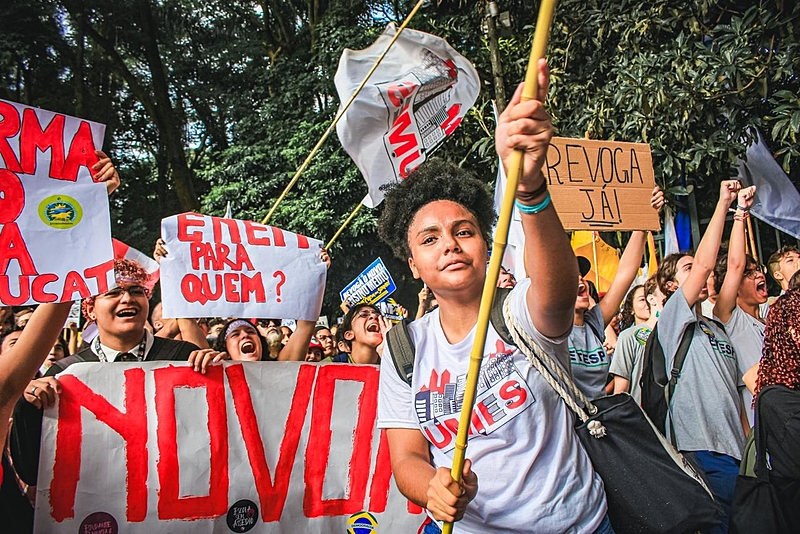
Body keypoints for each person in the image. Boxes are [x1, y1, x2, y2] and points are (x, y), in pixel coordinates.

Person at [376, 65, 608, 533]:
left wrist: (529, 188)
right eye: (430, 239)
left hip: (577, 524)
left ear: (487, 246)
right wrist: (433, 488)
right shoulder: (403, 350)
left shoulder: (519, 310)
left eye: (464, 231)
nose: (450, 244)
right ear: (413, 265)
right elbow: (406, 459)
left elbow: (560, 292)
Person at [10, 259, 200, 488]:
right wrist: (28, 407)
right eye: (114, 293)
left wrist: (217, 375)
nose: (127, 299)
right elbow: (32, 471)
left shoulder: (183, 358)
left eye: (137, 291)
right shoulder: (64, 374)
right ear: (90, 309)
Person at [655, 180, 747, 534]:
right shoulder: (674, 320)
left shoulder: (718, 327)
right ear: (672, 287)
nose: (700, 273)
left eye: (698, 267)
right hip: (699, 453)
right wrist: (723, 202)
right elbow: (708, 265)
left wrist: (741, 213)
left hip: (738, 455)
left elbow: (734, 268)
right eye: (687, 269)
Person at [569, 188, 663, 399]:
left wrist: (644, 221)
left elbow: (624, 275)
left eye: (580, 275)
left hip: (600, 424)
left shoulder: (593, 323)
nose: (580, 280)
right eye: (570, 277)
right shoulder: (549, 330)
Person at [712, 186, 765, 427]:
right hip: (759, 415)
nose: (758, 276)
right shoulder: (730, 319)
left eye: (757, 270)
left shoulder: (770, 319)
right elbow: (734, 263)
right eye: (748, 273)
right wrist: (740, 212)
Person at [610, 277, 664, 402]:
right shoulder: (628, 336)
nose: (647, 304)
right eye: (642, 299)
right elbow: (620, 391)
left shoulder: (675, 332)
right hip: (643, 415)